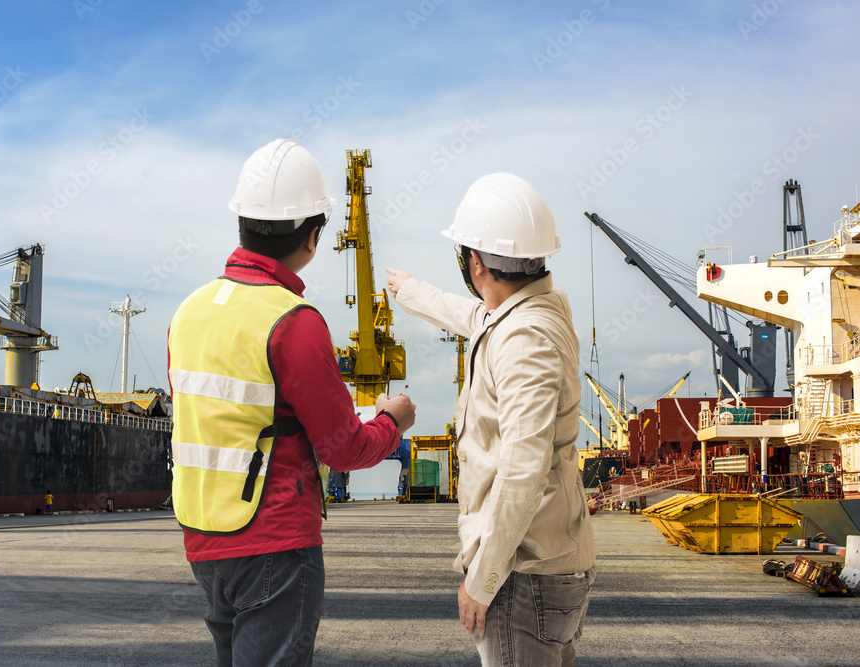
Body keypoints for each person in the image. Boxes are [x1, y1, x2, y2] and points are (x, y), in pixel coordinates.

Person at [168, 138, 416, 666]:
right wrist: (392, 421)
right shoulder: (294, 321)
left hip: (203, 539)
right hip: (275, 544)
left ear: (241, 221)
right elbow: (343, 448)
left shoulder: (187, 315)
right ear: (312, 236)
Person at [385, 173, 595, 666]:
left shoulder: (524, 341)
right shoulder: (539, 310)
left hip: (522, 577)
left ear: (474, 261)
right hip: (547, 566)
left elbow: (523, 471)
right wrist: (410, 291)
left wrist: (481, 581)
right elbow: (473, 316)